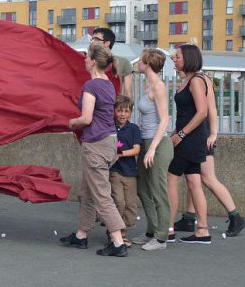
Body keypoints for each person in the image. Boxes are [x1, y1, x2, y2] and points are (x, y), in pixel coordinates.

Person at [61, 43, 128, 257]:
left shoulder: (91, 86)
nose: (83, 59)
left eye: (86, 56)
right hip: (108, 142)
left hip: (96, 145)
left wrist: (72, 122)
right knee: (87, 192)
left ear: (92, 61)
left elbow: (87, 118)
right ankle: (81, 235)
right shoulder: (108, 84)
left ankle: (118, 242)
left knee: (101, 195)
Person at [172, 69, 245, 237]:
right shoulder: (192, 79)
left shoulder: (201, 79)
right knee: (194, 177)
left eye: (178, 58)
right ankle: (189, 217)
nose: (175, 62)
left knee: (207, 177)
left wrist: (213, 133)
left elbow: (211, 108)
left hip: (201, 136)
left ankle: (235, 216)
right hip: (196, 135)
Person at [167, 44, 211, 244]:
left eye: (177, 57)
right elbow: (187, 114)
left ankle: (168, 228)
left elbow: (202, 112)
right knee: (194, 182)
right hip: (187, 137)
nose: (174, 60)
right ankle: (202, 230)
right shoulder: (187, 80)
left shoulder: (196, 81)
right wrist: (175, 132)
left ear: (188, 59)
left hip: (190, 139)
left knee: (170, 178)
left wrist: (181, 135)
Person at [132, 48, 174, 251]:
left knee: (158, 191)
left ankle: (161, 238)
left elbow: (165, 119)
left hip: (158, 144)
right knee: (143, 188)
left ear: (147, 64)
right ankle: (152, 230)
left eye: (140, 61)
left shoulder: (158, 86)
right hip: (146, 141)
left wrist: (152, 149)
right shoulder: (149, 85)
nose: (137, 64)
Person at [109, 95, 141, 247]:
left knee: (130, 205)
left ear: (130, 113)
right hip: (115, 171)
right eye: (119, 111)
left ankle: (124, 233)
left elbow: (136, 150)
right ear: (114, 111)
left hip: (131, 172)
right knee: (118, 202)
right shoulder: (110, 128)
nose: (123, 114)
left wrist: (120, 154)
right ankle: (113, 232)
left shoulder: (134, 129)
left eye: (126, 111)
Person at [91, 28, 133, 99]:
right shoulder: (88, 62)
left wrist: (125, 109)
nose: (92, 42)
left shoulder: (123, 62)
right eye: (92, 39)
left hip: (113, 106)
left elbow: (128, 93)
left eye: (96, 39)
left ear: (107, 43)